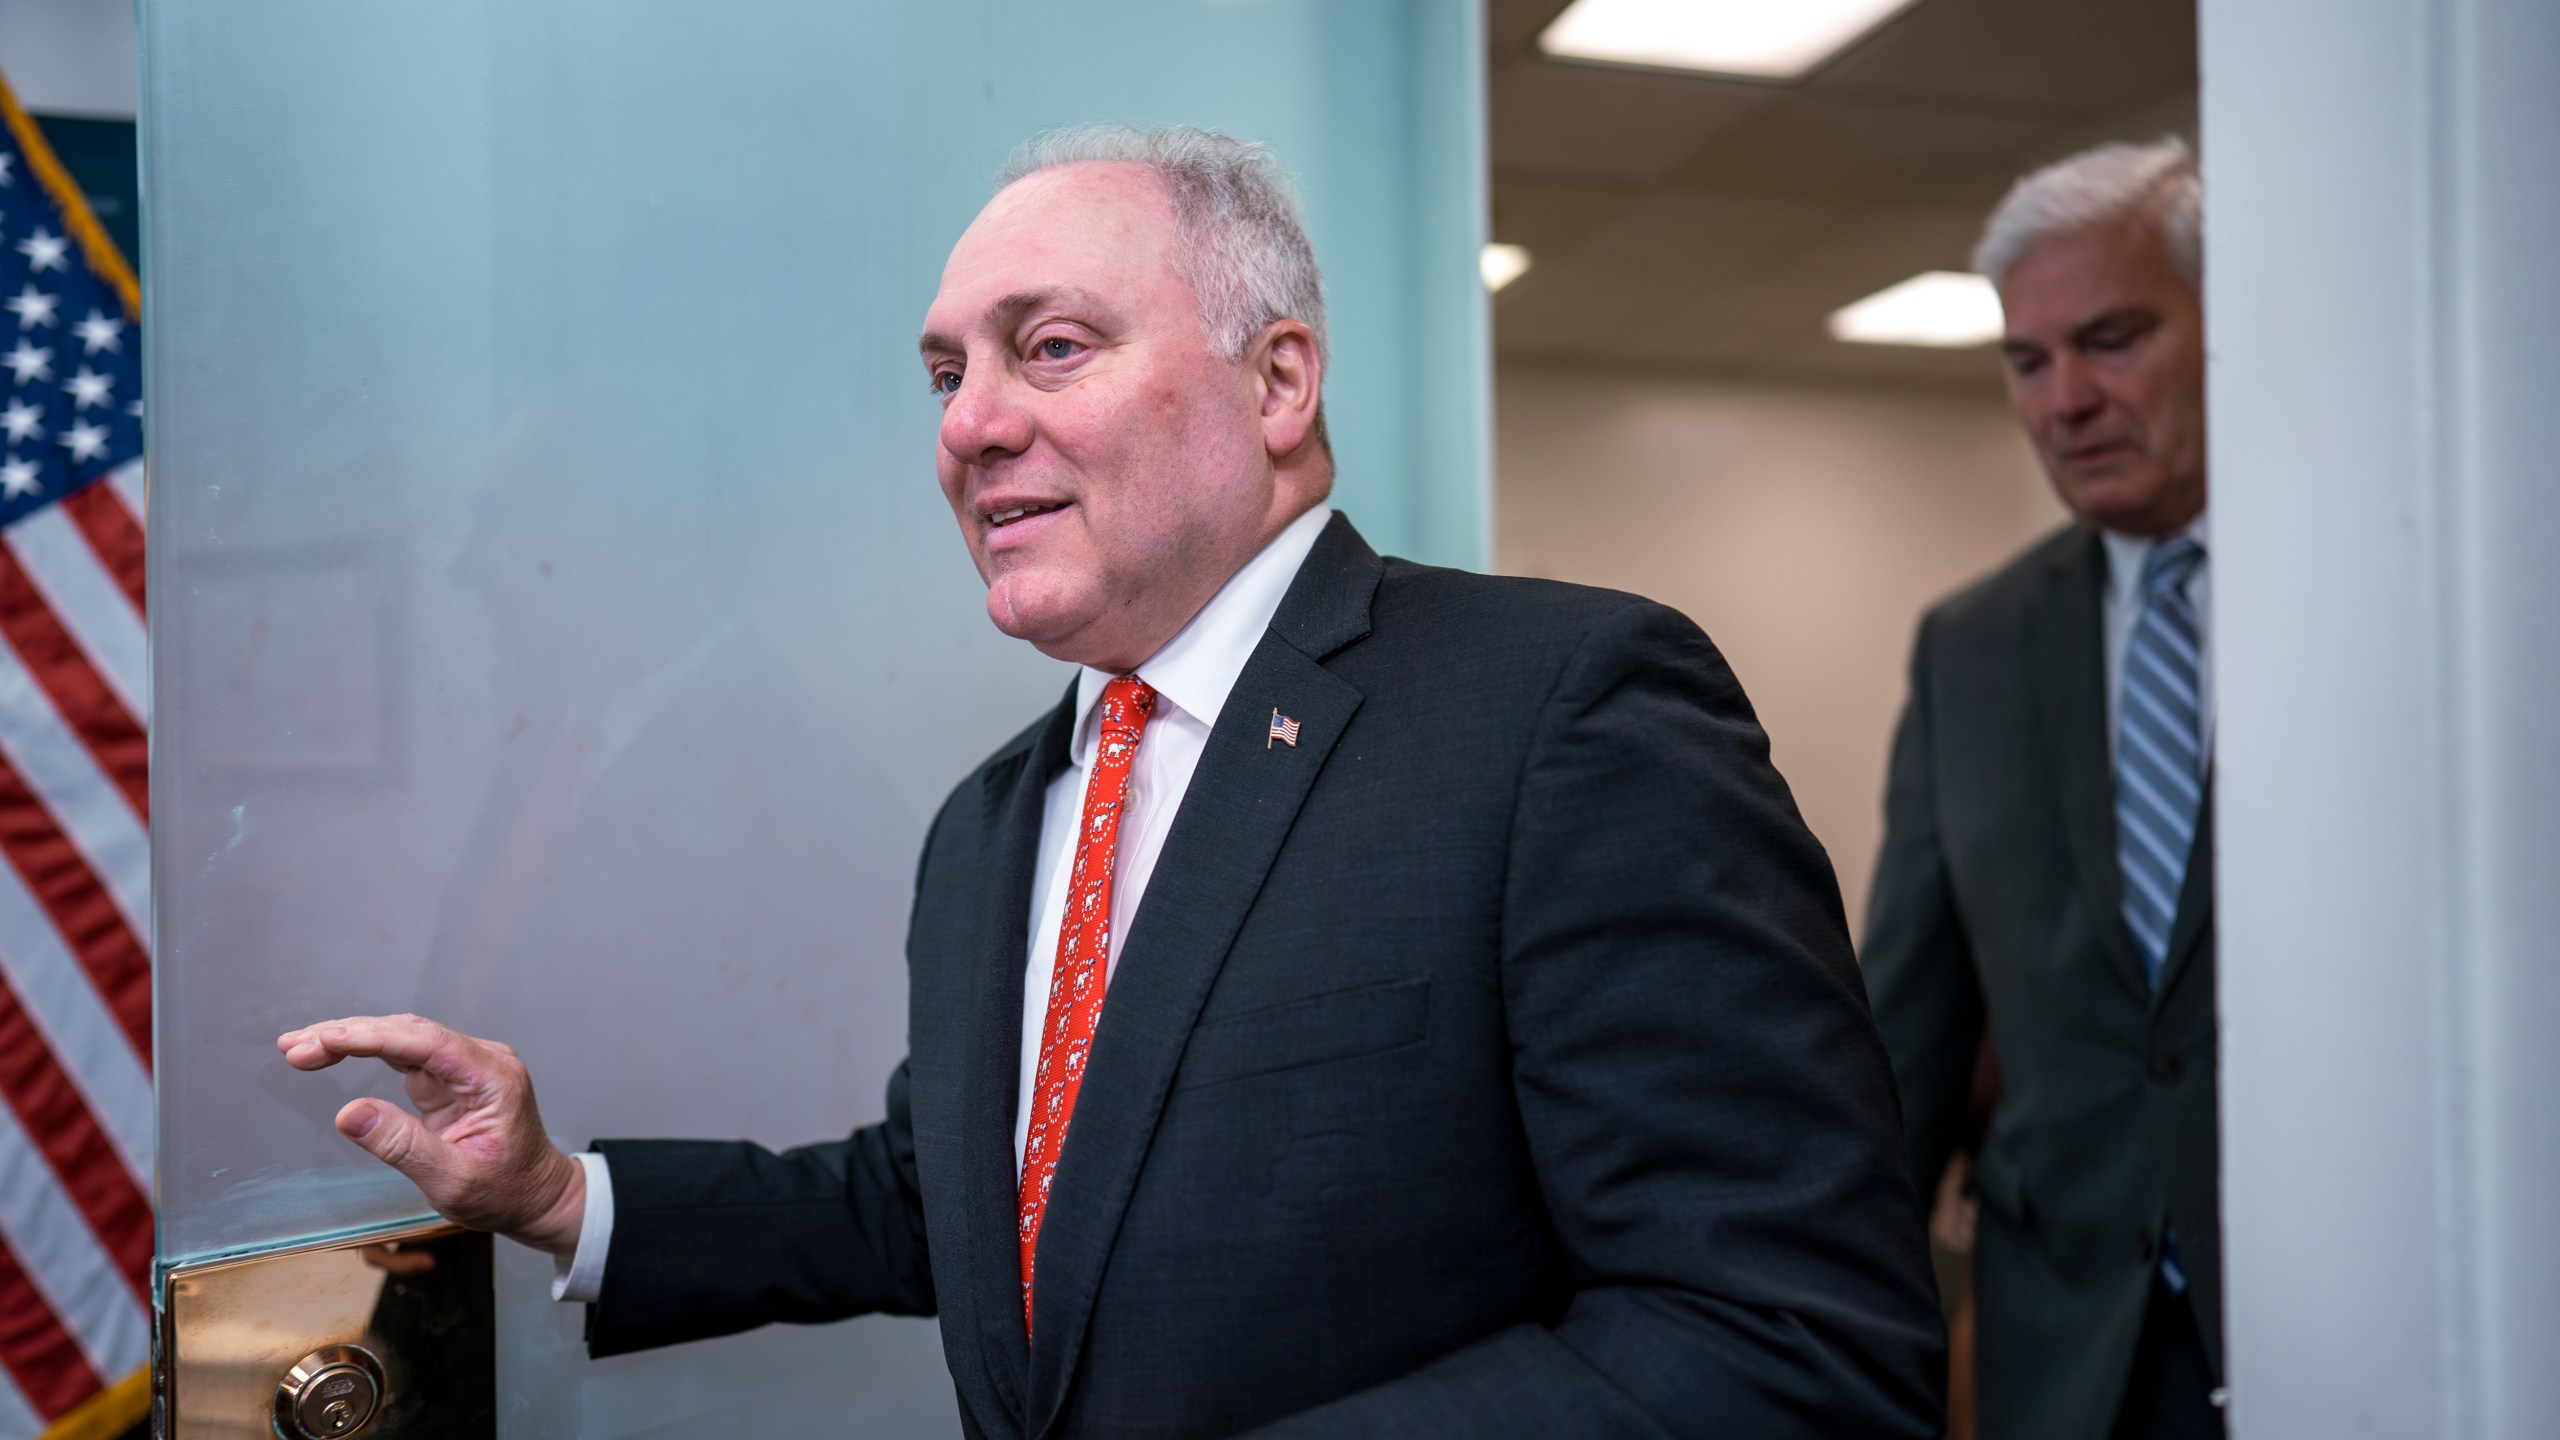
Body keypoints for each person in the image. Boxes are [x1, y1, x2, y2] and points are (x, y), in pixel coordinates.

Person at [281, 125, 1943, 1438]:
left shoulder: (1560, 711)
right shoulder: (996, 821)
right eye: (947, 375)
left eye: (1051, 348)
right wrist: (564, 1195)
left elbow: (1779, 1340)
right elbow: (962, 1195)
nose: (972, 427)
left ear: (1279, 382)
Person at [1860, 137, 2220, 1440]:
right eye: (2027, 360)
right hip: (2060, 1357)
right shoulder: (1974, 647)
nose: (2065, 399)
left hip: (2344, 1311)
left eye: (2113, 340)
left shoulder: (2376, 594)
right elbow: (1906, 1028)